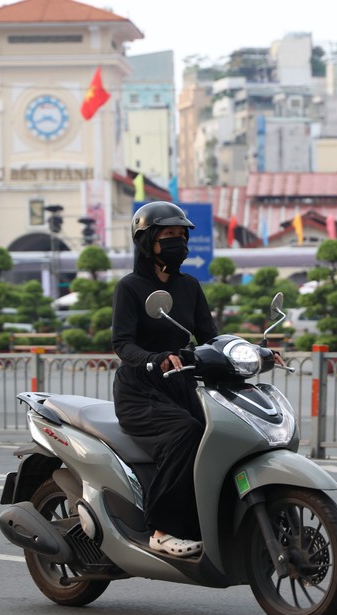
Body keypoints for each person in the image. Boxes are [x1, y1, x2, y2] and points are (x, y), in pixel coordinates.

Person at [111, 201, 218, 558]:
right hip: (141, 392)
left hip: (181, 386)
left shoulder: (189, 286)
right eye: (167, 235)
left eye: (181, 235)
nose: (177, 242)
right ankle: (161, 530)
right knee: (185, 433)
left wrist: (252, 351)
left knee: (222, 434)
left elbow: (209, 337)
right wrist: (154, 359)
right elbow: (122, 343)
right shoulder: (130, 288)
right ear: (147, 241)